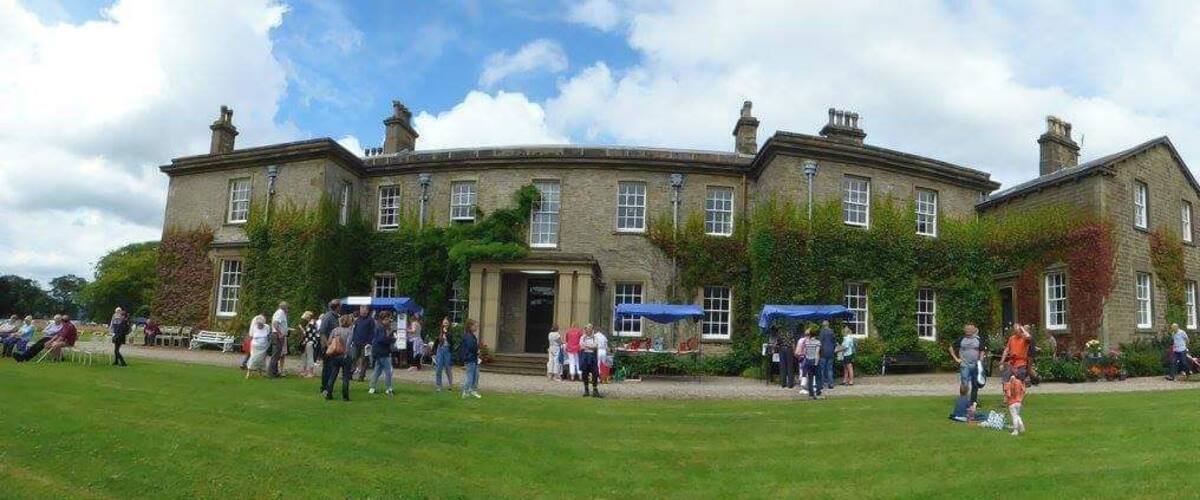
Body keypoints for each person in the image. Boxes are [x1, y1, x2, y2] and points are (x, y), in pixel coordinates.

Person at [950, 324, 987, 405]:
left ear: (974, 330)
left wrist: (980, 361)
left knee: (975, 384)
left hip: (975, 365)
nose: (968, 331)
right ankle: (963, 400)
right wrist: (956, 359)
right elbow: (951, 347)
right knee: (964, 383)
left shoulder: (978, 340)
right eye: (967, 329)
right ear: (964, 330)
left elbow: (982, 350)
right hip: (964, 365)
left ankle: (973, 401)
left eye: (970, 329)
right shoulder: (961, 339)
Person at [321, 314, 353, 401]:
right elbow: (349, 344)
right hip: (346, 355)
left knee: (333, 374)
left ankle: (329, 393)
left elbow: (329, 342)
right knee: (346, 376)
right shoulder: (350, 331)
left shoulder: (335, 330)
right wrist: (346, 352)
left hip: (335, 355)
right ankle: (345, 396)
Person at [369, 314, 395, 395]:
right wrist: (392, 339)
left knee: (377, 370)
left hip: (377, 351)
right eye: (387, 319)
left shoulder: (378, 327)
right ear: (383, 319)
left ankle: (372, 388)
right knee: (388, 370)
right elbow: (382, 339)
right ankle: (389, 388)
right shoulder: (381, 328)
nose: (388, 321)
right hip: (383, 352)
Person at [351, 306, 375, 381]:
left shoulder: (370, 320)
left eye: (364, 310)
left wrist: (369, 342)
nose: (363, 312)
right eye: (361, 310)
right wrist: (353, 339)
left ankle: (361, 376)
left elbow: (372, 332)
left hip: (366, 344)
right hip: (356, 342)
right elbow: (354, 330)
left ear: (367, 311)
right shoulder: (357, 319)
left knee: (365, 360)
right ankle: (350, 373)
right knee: (353, 358)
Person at [798, 326, 822, 400]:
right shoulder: (818, 342)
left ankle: (811, 394)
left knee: (810, 378)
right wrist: (816, 362)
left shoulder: (806, 342)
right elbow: (817, 353)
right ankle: (818, 393)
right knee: (818, 378)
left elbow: (805, 352)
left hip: (808, 361)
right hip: (814, 360)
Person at [460, 319, 481, 399]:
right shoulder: (468, 336)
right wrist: (477, 351)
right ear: (470, 326)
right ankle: (465, 392)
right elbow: (471, 347)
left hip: (473, 358)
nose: (476, 327)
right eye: (475, 326)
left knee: (476, 375)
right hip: (470, 358)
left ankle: (473, 390)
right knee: (470, 376)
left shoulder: (471, 335)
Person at [579, 324, 602, 398]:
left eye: (590, 329)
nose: (588, 331)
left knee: (595, 373)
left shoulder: (595, 337)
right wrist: (590, 346)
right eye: (587, 329)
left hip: (592, 357)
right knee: (584, 373)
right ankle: (586, 390)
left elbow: (595, 346)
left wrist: (587, 346)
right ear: (585, 330)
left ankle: (595, 390)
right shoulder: (582, 337)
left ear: (592, 330)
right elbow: (581, 346)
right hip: (585, 356)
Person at [268, 301, 289, 378]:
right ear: (284, 307)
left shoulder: (281, 313)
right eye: (287, 307)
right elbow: (275, 323)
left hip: (278, 335)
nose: (288, 309)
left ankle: (275, 372)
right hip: (277, 336)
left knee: (277, 355)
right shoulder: (280, 313)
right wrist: (280, 333)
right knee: (276, 354)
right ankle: (271, 373)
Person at [433, 317, 455, 391]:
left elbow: (452, 342)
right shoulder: (440, 331)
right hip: (440, 350)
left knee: (448, 369)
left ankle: (450, 385)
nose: (445, 324)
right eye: (444, 322)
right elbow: (436, 342)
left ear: (449, 324)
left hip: (447, 350)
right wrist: (433, 352)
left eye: (446, 322)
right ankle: (439, 386)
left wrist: (446, 333)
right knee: (438, 369)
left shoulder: (450, 332)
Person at [299, 311, 319, 378]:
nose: (304, 319)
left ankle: (310, 372)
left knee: (310, 357)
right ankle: (305, 371)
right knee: (304, 356)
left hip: (310, 341)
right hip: (307, 341)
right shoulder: (311, 322)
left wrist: (301, 328)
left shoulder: (312, 323)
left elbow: (307, 333)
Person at [818, 320, 837, 391]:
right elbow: (834, 342)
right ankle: (831, 384)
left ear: (823, 325)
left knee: (822, 369)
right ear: (828, 325)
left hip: (823, 352)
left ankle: (822, 384)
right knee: (830, 369)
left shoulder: (822, 332)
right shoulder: (832, 331)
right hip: (831, 352)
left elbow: (820, 342)